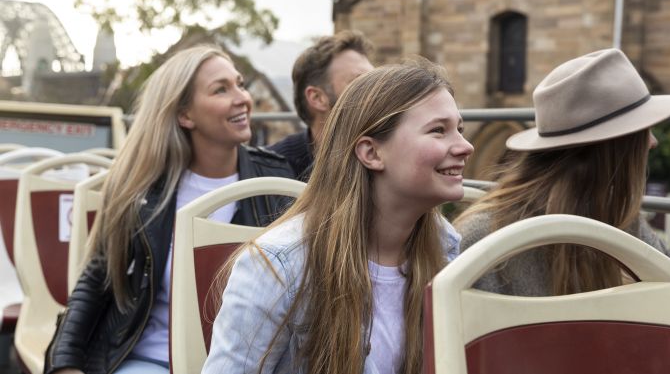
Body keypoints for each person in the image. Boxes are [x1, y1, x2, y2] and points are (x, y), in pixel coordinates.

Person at [203, 60, 474, 374]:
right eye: (438, 131)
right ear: (371, 153)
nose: (465, 146)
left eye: (460, 129)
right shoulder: (278, 264)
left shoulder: (445, 247)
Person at [44, 45, 295, 374]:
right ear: (185, 115)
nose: (242, 98)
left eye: (240, 84)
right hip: (155, 361)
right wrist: (65, 363)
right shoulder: (143, 189)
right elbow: (98, 279)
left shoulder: (276, 183)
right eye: (221, 89)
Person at [453, 48, 670, 297]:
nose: (653, 142)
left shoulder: (621, 218)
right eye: (644, 130)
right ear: (613, 148)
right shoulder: (481, 241)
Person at [270, 30, 373, 179]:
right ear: (317, 98)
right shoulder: (273, 170)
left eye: (375, 80)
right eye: (359, 82)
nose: (376, 91)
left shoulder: (388, 157)